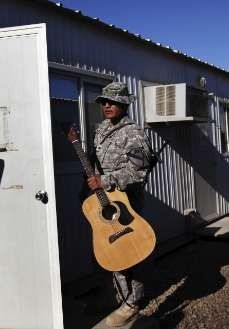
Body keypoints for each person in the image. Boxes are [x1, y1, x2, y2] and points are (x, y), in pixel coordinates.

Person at [86, 81, 154, 327]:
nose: (107, 105)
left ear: (124, 104)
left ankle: (132, 303)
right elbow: (95, 164)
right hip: (104, 200)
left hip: (127, 203)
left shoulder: (133, 133)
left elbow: (139, 172)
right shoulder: (102, 129)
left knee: (129, 251)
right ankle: (116, 296)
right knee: (107, 250)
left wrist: (104, 180)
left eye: (112, 102)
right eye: (104, 102)